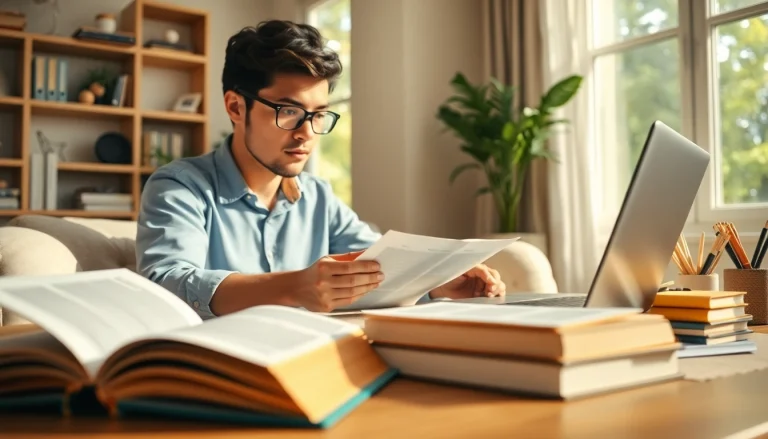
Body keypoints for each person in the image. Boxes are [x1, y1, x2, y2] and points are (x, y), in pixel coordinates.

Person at [136, 20, 506, 319]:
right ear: (235, 107)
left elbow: (379, 265)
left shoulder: (317, 197)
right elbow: (167, 283)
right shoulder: (179, 187)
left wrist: (437, 283)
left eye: (318, 115)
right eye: (289, 111)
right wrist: (293, 287)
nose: (306, 133)